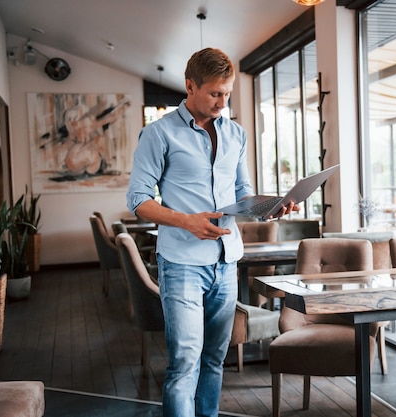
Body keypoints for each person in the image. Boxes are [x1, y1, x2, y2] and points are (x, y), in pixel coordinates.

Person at [126, 48, 297, 417]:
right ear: (190, 86)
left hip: (226, 262)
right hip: (182, 263)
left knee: (215, 359)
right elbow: (138, 200)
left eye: (228, 94)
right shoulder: (158, 134)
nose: (223, 102)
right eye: (215, 93)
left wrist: (270, 208)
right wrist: (188, 221)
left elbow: (242, 193)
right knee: (184, 362)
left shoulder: (236, 134)